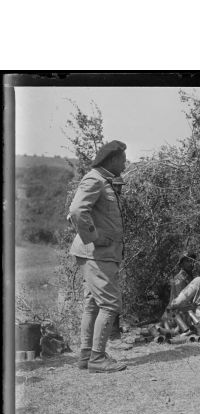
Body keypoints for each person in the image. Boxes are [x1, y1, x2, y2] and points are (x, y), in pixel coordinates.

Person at [68, 140, 128, 372]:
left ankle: (86, 356)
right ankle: (97, 358)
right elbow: (76, 210)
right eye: (122, 159)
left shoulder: (105, 180)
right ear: (111, 159)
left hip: (98, 254)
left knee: (92, 304)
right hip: (96, 254)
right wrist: (93, 237)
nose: (125, 163)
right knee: (110, 304)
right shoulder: (95, 179)